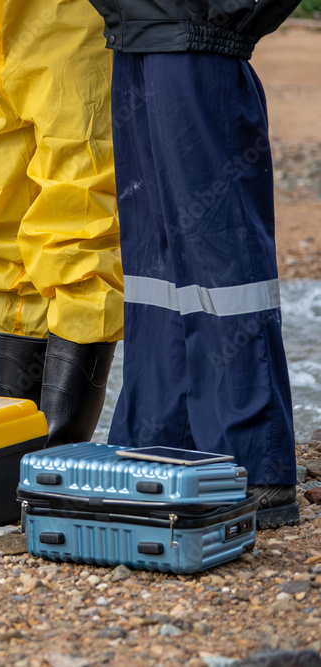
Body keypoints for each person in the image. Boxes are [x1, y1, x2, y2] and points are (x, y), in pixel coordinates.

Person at [85, 0, 302, 527]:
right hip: (137, 27)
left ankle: (250, 462)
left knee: (219, 255)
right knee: (155, 261)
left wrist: (226, 15)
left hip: (196, 29)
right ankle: (159, 444)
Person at [0, 0, 123, 445]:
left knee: (80, 223)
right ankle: (13, 446)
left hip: (68, 16)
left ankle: (57, 454)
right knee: (5, 235)